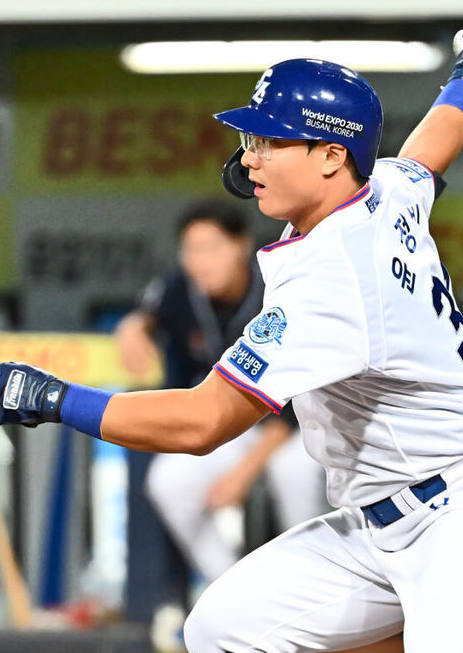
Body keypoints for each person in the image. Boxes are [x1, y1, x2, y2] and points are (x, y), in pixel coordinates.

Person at [0, 11, 463, 653]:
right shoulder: (384, 188)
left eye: (270, 142)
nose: (249, 156)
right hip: (377, 526)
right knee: (222, 629)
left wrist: (57, 399)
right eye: (252, 140)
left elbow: (201, 423)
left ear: (330, 156)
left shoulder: (336, 276)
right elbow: (428, 150)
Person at [114, 201, 324, 622]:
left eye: (211, 248)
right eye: (190, 250)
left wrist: (241, 476)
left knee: (293, 475)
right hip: (236, 421)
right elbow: (147, 313)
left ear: (241, 246)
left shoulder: (277, 282)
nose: (199, 261)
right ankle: (241, 600)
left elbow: (292, 409)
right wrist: (133, 326)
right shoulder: (185, 288)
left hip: (299, 423)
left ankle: (312, 602)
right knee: (169, 482)